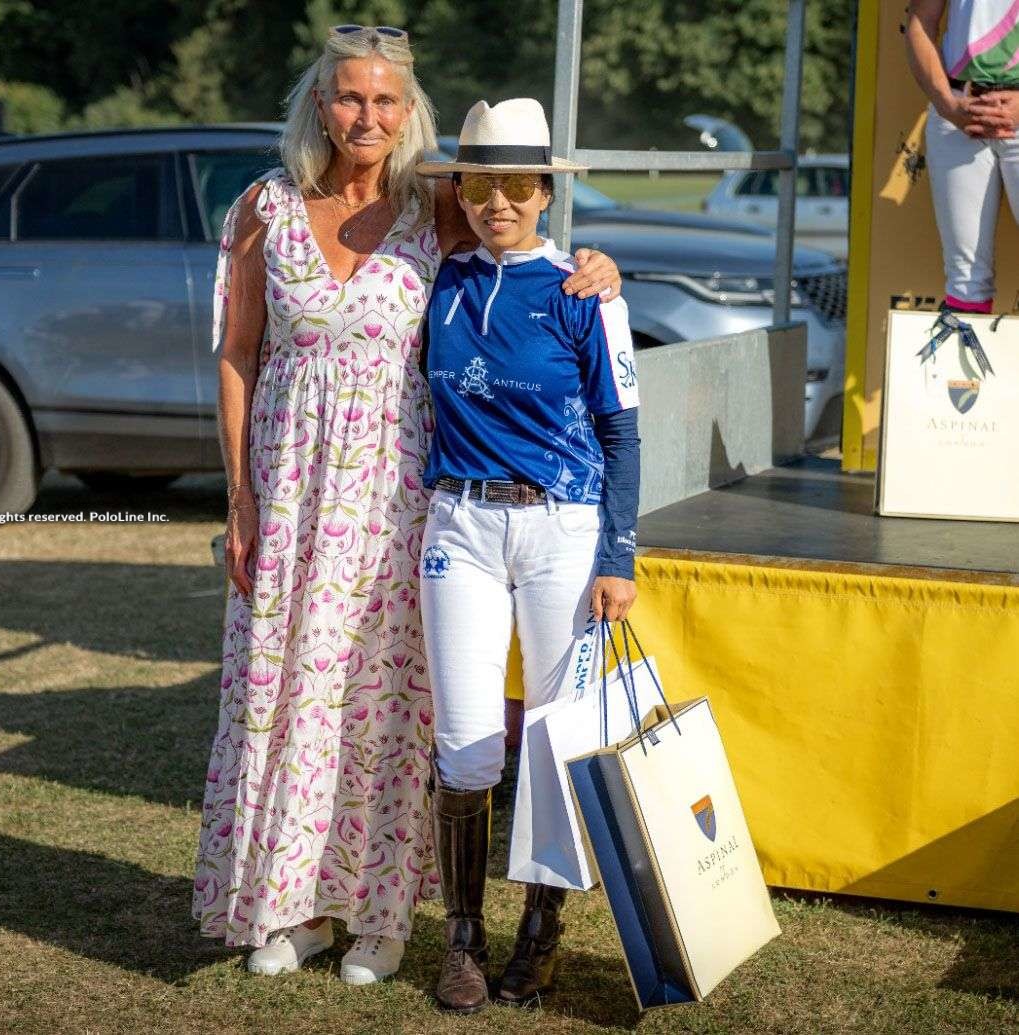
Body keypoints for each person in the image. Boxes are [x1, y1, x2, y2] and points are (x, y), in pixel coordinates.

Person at [193, 26, 622, 987]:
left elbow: (527, 239)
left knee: (388, 707)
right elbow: (237, 353)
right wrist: (240, 499)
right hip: (292, 492)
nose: (367, 117)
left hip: (401, 503)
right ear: (319, 103)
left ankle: (384, 916)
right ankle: (293, 905)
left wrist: (599, 267)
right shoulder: (263, 206)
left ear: (409, 112)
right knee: (288, 697)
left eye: (386, 101)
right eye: (350, 98)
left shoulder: (436, 208)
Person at [414, 97, 641, 1013]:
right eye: (479, 184)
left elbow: (623, 435)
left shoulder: (587, 293)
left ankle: (541, 936)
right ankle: (461, 941)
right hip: (458, 527)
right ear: (459, 189)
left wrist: (618, 554)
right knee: (467, 745)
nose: (497, 202)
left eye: (517, 185)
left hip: (563, 530)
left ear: (545, 192)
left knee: (553, 740)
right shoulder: (436, 278)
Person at [907, 0, 1019, 314]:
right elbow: (920, 18)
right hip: (958, 112)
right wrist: (946, 103)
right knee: (965, 281)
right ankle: (963, 358)